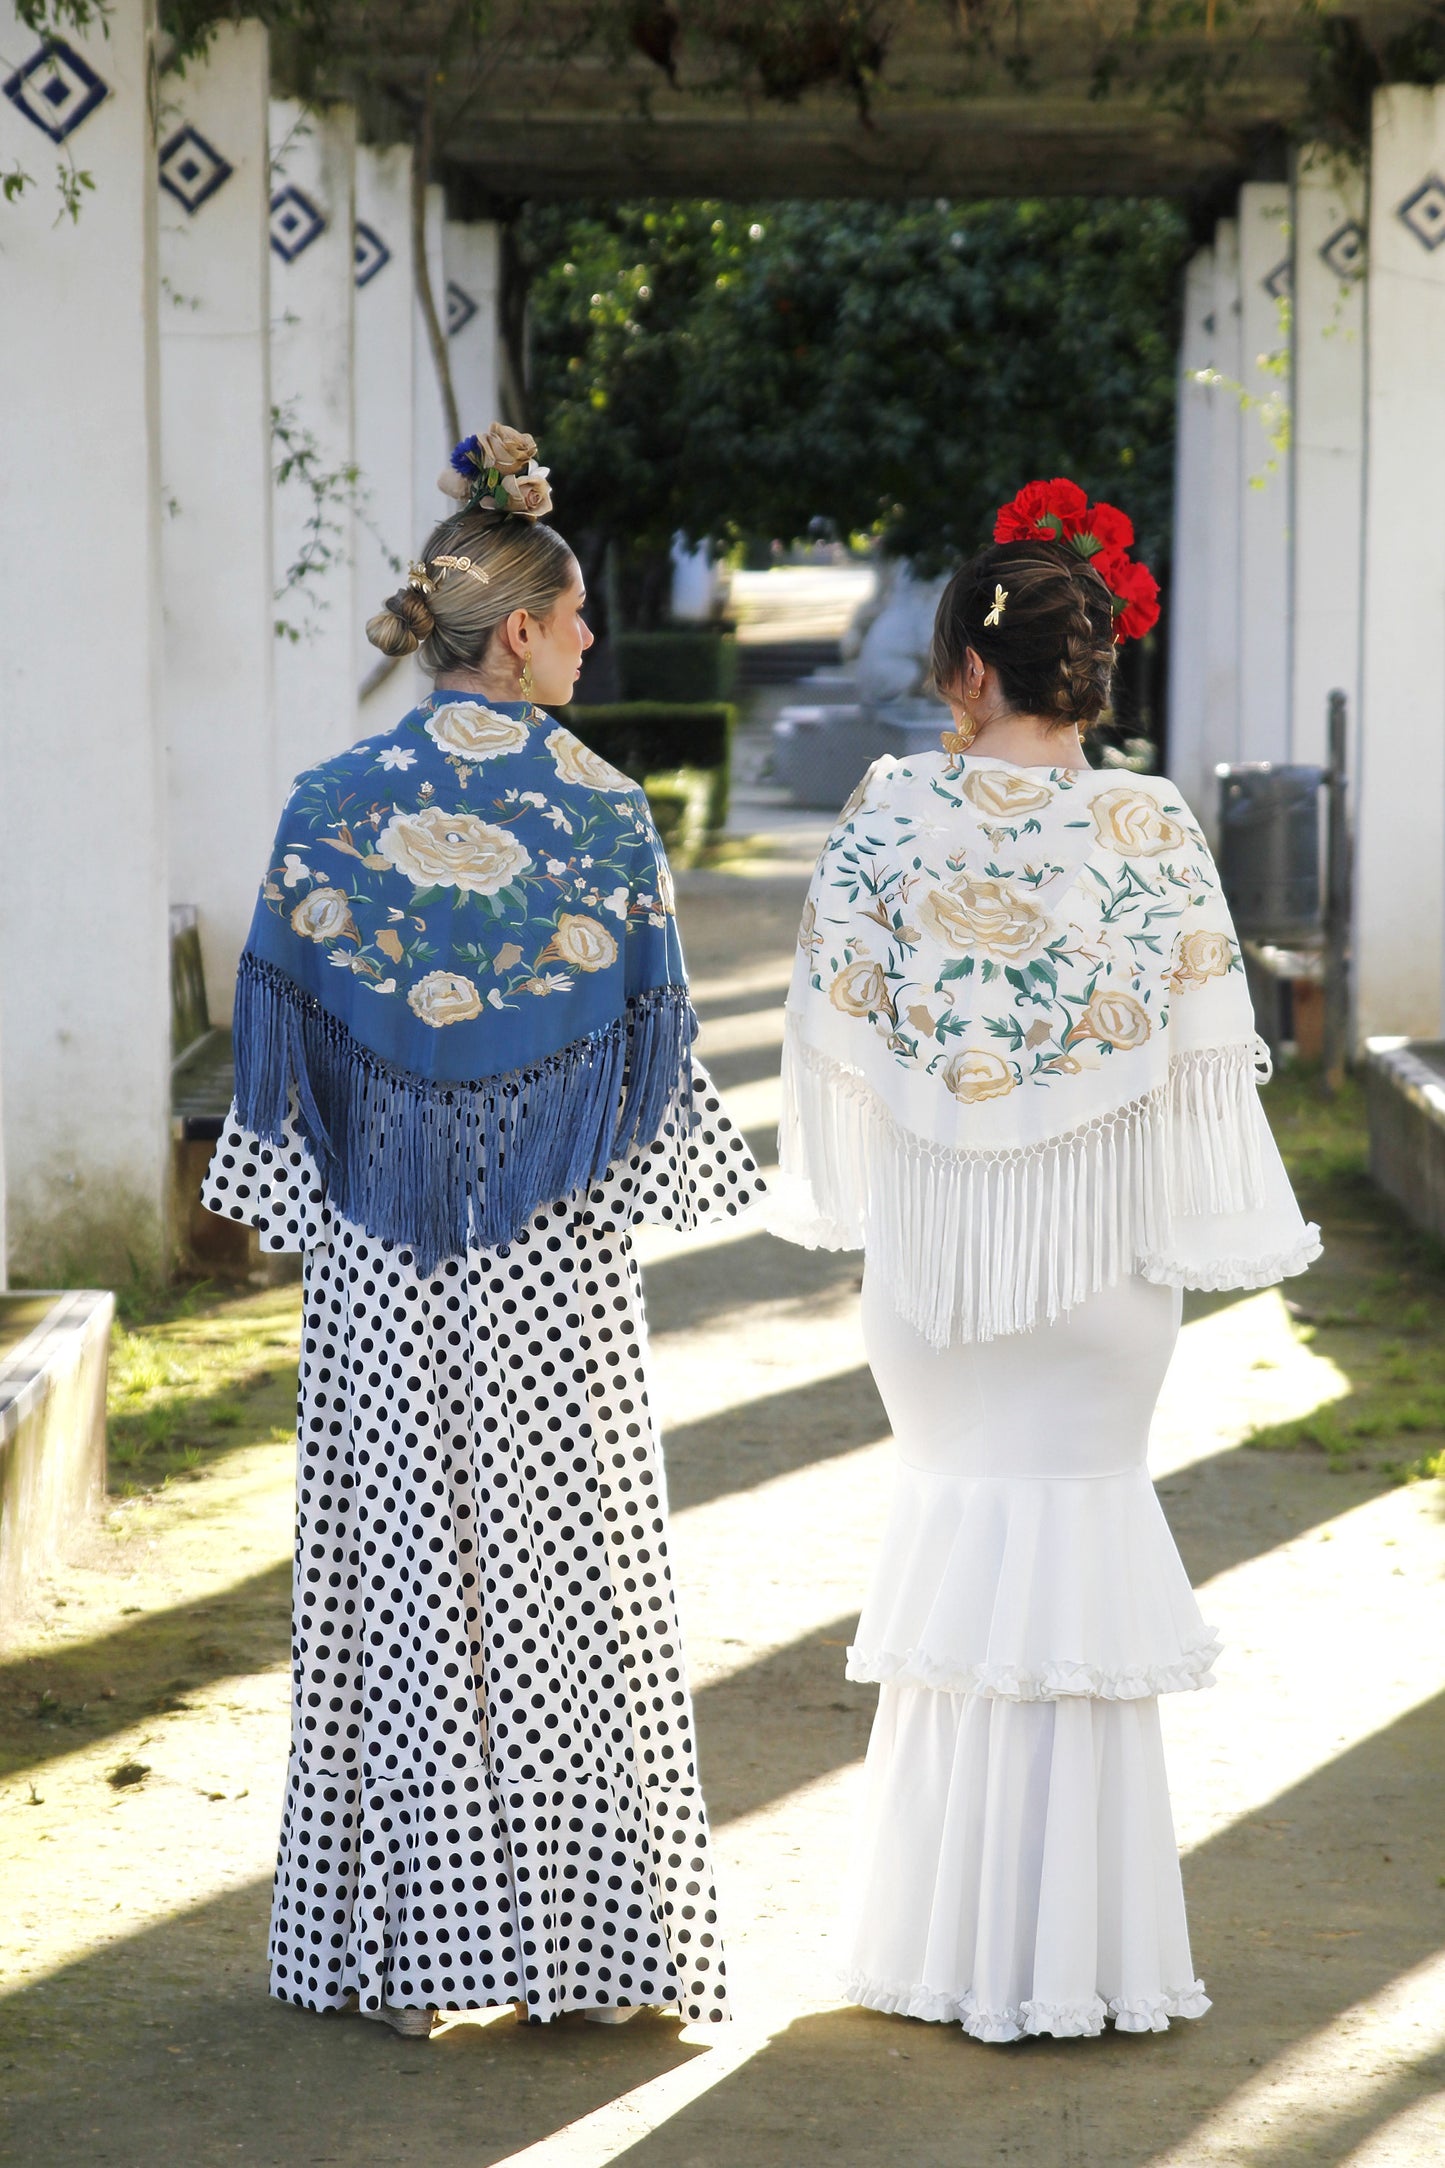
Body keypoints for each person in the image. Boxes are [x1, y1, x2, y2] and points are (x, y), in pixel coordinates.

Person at [202, 425, 762, 2037]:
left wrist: (375, 1179)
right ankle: (592, 1949)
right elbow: (649, 1070)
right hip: (556, 1260)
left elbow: (284, 1052)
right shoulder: (601, 813)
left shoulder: (329, 801)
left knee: (394, 1578)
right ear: (513, 629)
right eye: (576, 615)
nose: (592, 639)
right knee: (564, 1583)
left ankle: (393, 1944)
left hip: (383, 1258)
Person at [771, 480, 1319, 2043]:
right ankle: (1088, 1955)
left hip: (937, 1269)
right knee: (1071, 1552)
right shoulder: (1148, 823)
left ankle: (940, 1946)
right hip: (1099, 1274)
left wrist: (940, 1122)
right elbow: (1208, 1052)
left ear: (962, 668)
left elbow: (831, 1021)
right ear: (1088, 672)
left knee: (960, 1551)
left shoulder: (889, 808)